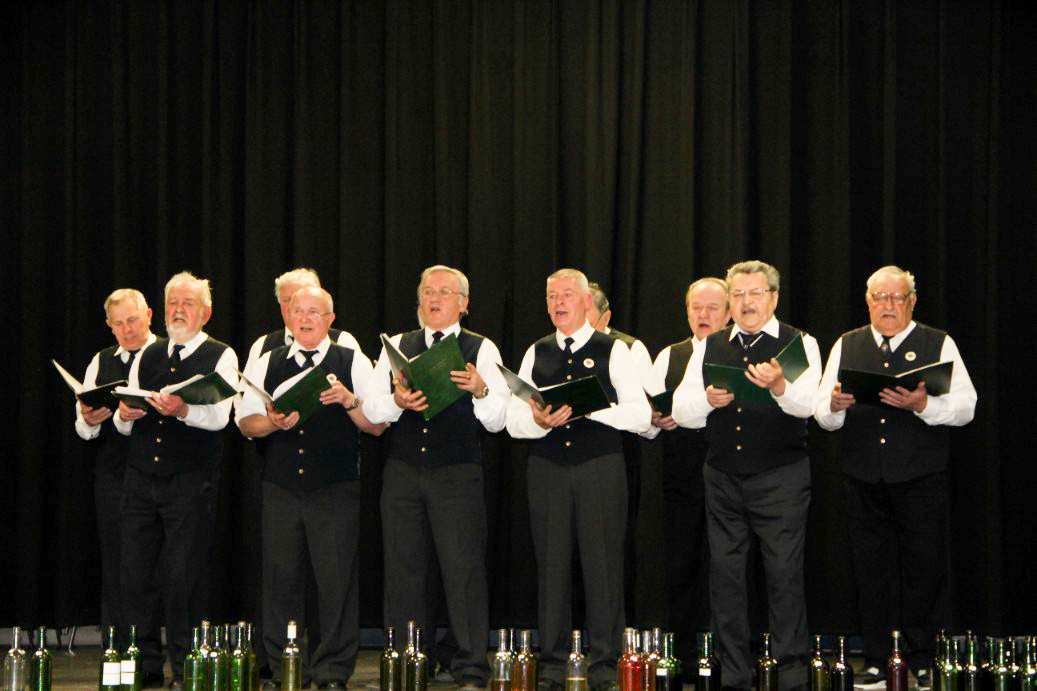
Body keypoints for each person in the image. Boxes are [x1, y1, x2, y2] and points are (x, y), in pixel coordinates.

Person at [813, 265, 976, 689]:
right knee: (870, 570)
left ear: (912, 302)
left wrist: (924, 406)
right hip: (863, 476)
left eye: (897, 297)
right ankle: (876, 658)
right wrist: (834, 405)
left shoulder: (938, 343)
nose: (888, 305)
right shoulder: (847, 344)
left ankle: (921, 658)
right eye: (880, 297)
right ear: (868, 302)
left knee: (924, 569)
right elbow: (822, 416)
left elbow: (967, 407)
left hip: (920, 476)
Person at [671, 260, 821, 691]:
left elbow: (810, 404)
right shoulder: (710, 345)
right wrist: (707, 400)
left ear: (774, 298)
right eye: (738, 294)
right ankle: (734, 676)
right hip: (722, 478)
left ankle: (792, 677)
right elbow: (681, 411)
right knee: (726, 580)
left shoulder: (798, 343)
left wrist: (779, 386)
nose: (746, 302)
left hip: (781, 477)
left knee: (784, 576)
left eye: (755, 293)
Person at [363, 265, 509, 690]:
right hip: (404, 472)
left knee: (463, 571)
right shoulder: (398, 345)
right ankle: (409, 663)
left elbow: (498, 419)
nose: (434, 299)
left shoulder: (481, 348)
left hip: (457, 473)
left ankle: (471, 668)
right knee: (404, 571)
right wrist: (396, 400)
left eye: (444, 292)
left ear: (463, 304)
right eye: (428, 291)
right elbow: (371, 410)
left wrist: (480, 389)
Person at [506, 268, 651, 691]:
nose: (558, 303)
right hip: (548, 469)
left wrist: (592, 408)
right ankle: (552, 667)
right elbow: (513, 421)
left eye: (567, 295)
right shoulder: (537, 351)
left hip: (599, 468)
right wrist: (538, 421)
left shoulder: (614, 349)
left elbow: (641, 416)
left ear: (587, 302)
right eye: (552, 296)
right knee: (551, 568)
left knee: (602, 568)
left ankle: (605, 666)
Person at [237, 286, 384, 690]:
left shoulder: (352, 360)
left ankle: (333, 670)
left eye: (314, 312)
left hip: (334, 488)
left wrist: (349, 401)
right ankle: (284, 668)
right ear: (287, 317)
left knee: (335, 582)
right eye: (298, 311)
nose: (304, 319)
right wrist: (272, 423)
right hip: (281, 487)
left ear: (330, 320)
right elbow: (245, 422)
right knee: (280, 580)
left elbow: (377, 426)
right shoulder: (267, 361)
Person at [115, 271, 238, 689]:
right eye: (172, 302)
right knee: (135, 573)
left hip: (189, 480)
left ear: (206, 312)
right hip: (140, 478)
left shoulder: (221, 355)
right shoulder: (148, 354)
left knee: (183, 575)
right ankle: (143, 662)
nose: (179, 310)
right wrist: (124, 415)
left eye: (188, 303)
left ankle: (187, 665)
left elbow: (220, 417)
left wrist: (183, 410)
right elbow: (125, 419)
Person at [641, 277, 730, 675]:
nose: (703, 314)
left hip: (731, 471)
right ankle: (683, 653)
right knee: (681, 564)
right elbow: (648, 411)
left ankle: (730, 653)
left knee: (727, 565)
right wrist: (655, 418)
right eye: (696, 307)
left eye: (712, 307)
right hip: (681, 473)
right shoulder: (670, 355)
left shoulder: (738, 353)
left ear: (728, 314)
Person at [75, 289, 158, 679]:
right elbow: (83, 426)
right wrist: (89, 419)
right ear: (109, 326)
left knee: (154, 566)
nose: (127, 329)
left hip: (161, 474)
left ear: (149, 316)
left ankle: (151, 655)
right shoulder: (102, 359)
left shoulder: (167, 355)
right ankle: (116, 652)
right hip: (115, 475)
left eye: (133, 320)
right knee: (116, 564)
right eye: (119, 323)